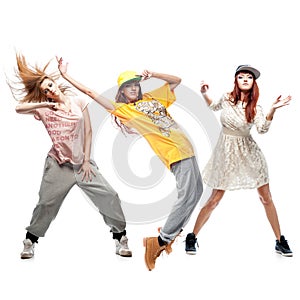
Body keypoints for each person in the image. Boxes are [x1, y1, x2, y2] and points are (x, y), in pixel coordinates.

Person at [57, 57, 203, 270]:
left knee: (196, 192)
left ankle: (170, 234)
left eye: (135, 85)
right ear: (122, 92)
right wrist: (65, 75)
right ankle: (160, 240)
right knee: (186, 195)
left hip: (187, 150)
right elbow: (91, 93)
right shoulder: (124, 111)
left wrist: (153, 74)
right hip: (175, 154)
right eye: (128, 86)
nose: (133, 88)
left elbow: (176, 81)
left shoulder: (153, 98)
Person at [8, 53, 132, 259]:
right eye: (45, 90)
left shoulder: (78, 101)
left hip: (82, 163)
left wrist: (85, 161)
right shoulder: (45, 109)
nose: (49, 89)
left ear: (55, 83)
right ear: (45, 94)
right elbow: (18, 108)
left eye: (49, 84)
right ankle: (30, 240)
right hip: (58, 164)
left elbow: (89, 131)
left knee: (109, 196)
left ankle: (120, 238)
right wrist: (43, 105)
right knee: (46, 204)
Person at [185, 65, 293, 257]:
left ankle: (280, 240)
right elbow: (213, 106)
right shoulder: (227, 99)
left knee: (266, 197)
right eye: (241, 76)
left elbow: (262, 129)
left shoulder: (255, 108)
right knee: (214, 199)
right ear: (236, 81)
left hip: (249, 153)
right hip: (226, 153)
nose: (244, 79)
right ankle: (192, 236)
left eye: (249, 77)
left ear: (253, 83)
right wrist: (204, 94)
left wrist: (272, 110)